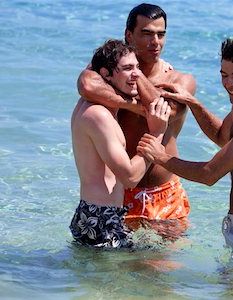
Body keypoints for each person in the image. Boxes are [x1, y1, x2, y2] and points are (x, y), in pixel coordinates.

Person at [137, 37, 233, 261]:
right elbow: (222, 137)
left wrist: (160, 157)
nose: (229, 84)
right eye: (224, 75)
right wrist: (193, 103)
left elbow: (208, 174)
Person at [77, 4, 196, 235]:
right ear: (129, 35)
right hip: (120, 193)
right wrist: (134, 104)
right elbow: (86, 84)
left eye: (161, 34)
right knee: (116, 269)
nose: (156, 42)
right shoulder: (116, 75)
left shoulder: (180, 79)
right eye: (147, 33)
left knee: (161, 269)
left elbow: (166, 112)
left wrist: (138, 75)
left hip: (162, 193)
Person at [69, 39, 171, 248]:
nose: (137, 75)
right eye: (127, 69)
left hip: (99, 214)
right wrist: (157, 133)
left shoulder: (95, 108)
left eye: (137, 67)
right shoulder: (98, 116)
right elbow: (131, 177)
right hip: (100, 218)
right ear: (106, 74)